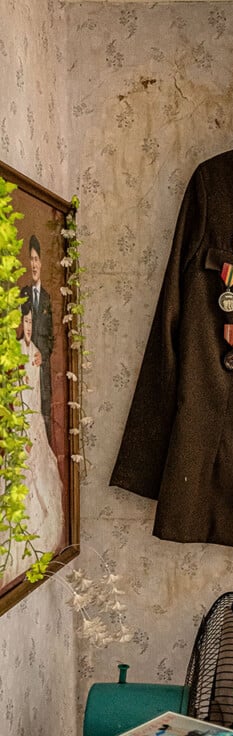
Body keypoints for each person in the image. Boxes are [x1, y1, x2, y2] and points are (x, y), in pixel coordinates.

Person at [1, 302, 64, 588]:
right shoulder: (15, 354)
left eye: (30, 323)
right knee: (22, 480)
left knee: (42, 472)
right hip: (22, 421)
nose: (28, 327)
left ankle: (41, 536)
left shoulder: (35, 352)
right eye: (24, 322)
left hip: (34, 418)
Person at [21, 234, 54, 442]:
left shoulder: (47, 299)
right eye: (30, 260)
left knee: (44, 415)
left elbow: (51, 337)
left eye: (36, 260)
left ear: (41, 263)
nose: (33, 264)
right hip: (26, 366)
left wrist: (44, 355)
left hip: (42, 368)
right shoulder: (23, 293)